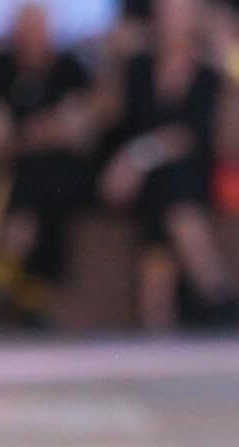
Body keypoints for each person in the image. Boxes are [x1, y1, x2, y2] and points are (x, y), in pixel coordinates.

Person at [95, 0, 237, 327]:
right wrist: (112, 59)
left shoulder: (210, 73)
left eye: (181, 14)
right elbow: (107, 116)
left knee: (174, 184)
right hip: (146, 185)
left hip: (185, 178)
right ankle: (214, 289)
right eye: (167, 13)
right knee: (170, 190)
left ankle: (160, 308)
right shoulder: (138, 67)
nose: (173, 23)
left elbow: (210, 140)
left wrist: (139, 156)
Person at [0, 0, 97, 325]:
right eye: (27, 31)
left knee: (45, 177)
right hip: (8, 171)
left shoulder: (70, 70)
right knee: (30, 178)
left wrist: (29, 134)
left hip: (60, 176)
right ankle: (34, 289)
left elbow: (82, 130)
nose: (33, 39)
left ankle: (4, 271)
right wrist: (38, 133)